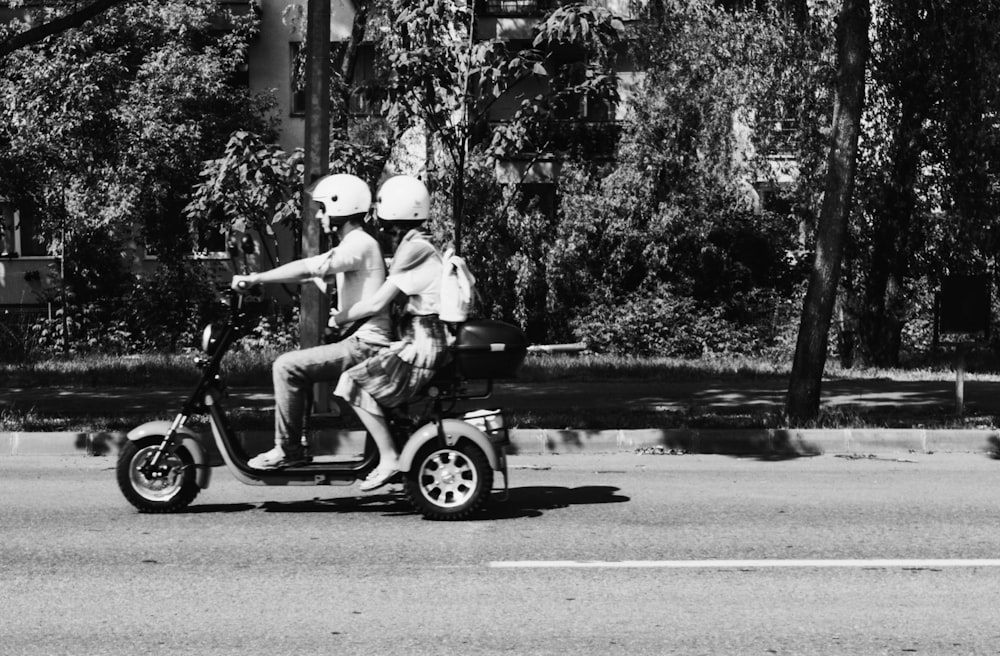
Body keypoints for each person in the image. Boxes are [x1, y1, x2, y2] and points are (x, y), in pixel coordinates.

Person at [231, 173, 392, 470]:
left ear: (339, 206)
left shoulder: (358, 243)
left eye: (322, 208)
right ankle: (295, 445)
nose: (318, 215)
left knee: (286, 366)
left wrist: (257, 277)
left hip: (366, 346)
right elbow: (328, 273)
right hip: (362, 341)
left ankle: (288, 449)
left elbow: (311, 267)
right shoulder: (357, 243)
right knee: (298, 368)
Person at [331, 175, 452, 491]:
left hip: (424, 344)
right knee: (369, 378)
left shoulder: (414, 249)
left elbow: (376, 301)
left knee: (352, 381)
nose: (382, 233)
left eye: (384, 227)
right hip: (423, 339)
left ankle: (389, 458)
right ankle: (393, 445)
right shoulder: (420, 244)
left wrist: (340, 318)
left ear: (395, 221)